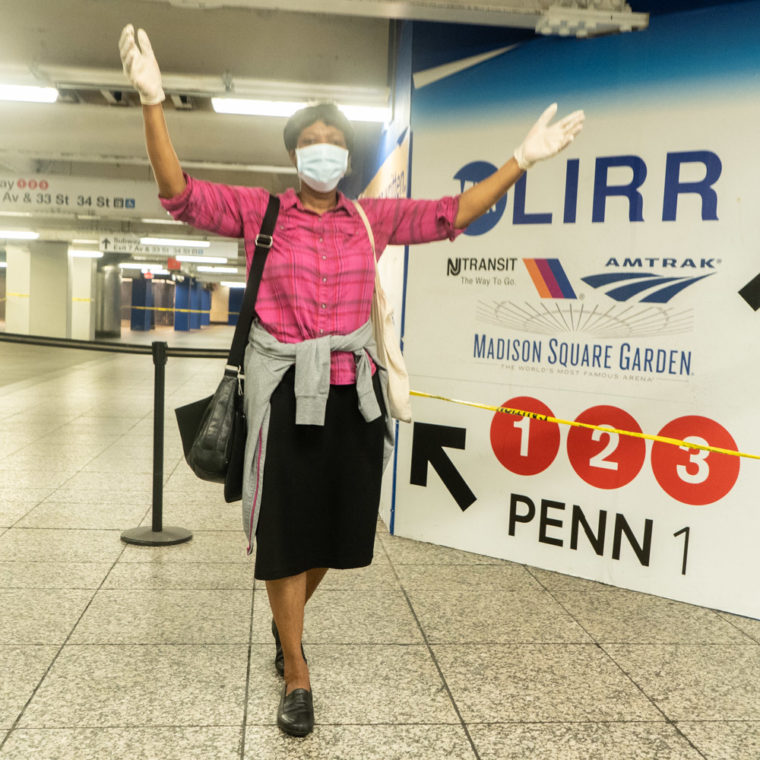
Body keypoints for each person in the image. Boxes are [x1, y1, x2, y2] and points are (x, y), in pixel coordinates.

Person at [119, 23, 584, 737]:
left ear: (347, 154)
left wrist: (521, 159)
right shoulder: (260, 212)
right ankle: (297, 670)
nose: (324, 149)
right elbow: (178, 194)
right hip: (281, 397)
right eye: (310, 141)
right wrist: (154, 103)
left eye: (334, 140)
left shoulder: (370, 219)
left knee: (339, 535)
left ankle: (289, 626)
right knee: (283, 534)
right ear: (293, 153)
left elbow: (450, 214)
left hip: (355, 395)